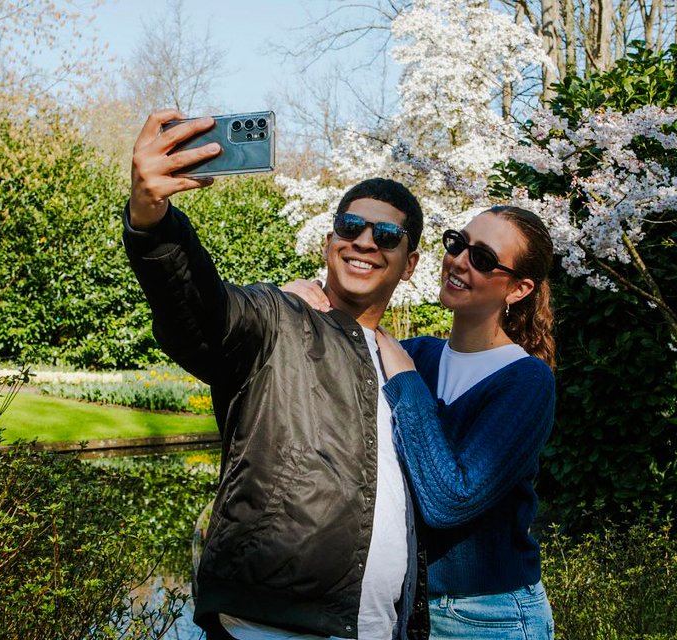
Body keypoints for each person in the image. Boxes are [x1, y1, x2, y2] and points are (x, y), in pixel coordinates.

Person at [122, 110, 429, 640]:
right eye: (351, 227)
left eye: (386, 235)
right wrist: (152, 220)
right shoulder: (277, 318)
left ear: (411, 262)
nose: (364, 243)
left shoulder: (407, 364)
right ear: (330, 241)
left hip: (379, 629)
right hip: (270, 626)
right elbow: (201, 314)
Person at [286, 205, 556, 639]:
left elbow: (450, 500)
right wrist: (292, 304)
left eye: (483, 259)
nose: (460, 261)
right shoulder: (416, 354)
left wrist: (408, 383)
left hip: (490, 616)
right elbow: (327, 363)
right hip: (408, 610)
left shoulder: (525, 382)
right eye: (458, 243)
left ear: (519, 289)